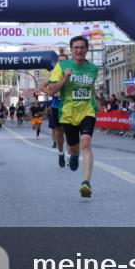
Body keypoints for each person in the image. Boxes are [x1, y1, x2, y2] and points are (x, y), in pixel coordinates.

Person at [44, 36, 100, 198]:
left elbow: (90, 88)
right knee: (74, 148)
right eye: (76, 48)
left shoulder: (93, 69)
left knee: (86, 142)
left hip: (87, 110)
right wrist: (64, 78)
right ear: (71, 50)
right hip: (68, 113)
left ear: (87, 50)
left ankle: (86, 183)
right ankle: (73, 156)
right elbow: (51, 89)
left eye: (82, 47)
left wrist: (98, 102)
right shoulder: (62, 66)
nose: (79, 50)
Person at [43, 49, 69, 167]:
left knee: (70, 132)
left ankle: (70, 155)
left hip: (69, 106)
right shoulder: (52, 73)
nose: (62, 63)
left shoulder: (71, 72)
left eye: (64, 61)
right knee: (59, 133)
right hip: (56, 107)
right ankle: (60, 153)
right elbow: (42, 86)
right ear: (57, 62)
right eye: (60, 61)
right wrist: (50, 92)